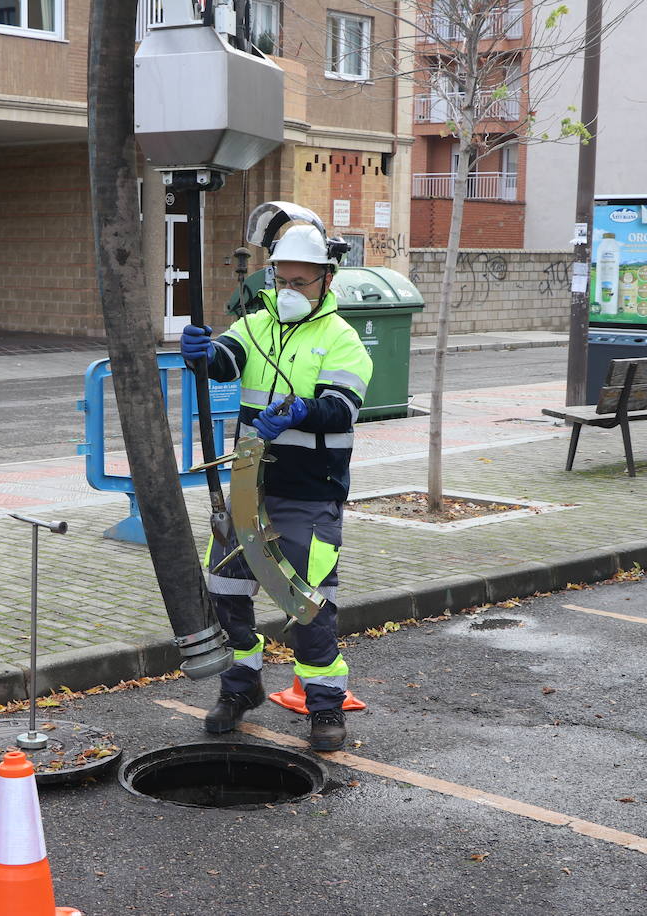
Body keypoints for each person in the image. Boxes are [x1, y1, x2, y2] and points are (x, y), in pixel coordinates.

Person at [180, 221, 373, 751]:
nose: (288, 290)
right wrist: (202, 351)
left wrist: (303, 408)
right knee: (226, 595)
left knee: (308, 604)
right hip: (247, 486)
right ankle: (240, 691)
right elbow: (226, 360)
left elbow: (342, 408)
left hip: (309, 493)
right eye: (282, 280)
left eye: (301, 281)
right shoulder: (256, 325)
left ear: (326, 280)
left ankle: (325, 709)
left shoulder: (341, 339)